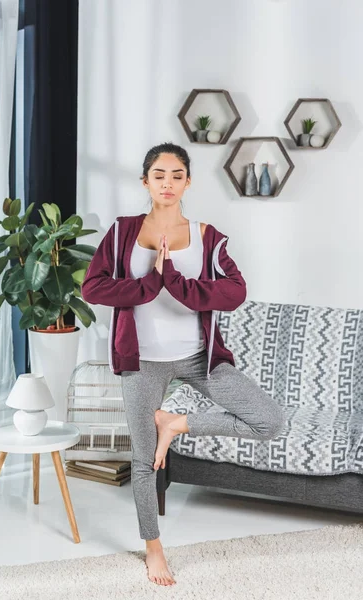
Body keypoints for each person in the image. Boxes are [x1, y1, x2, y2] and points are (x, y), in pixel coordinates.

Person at [81, 142, 286, 587]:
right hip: (143, 362)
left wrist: (174, 280)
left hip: (199, 357)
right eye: (159, 175)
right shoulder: (122, 233)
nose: (168, 183)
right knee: (142, 459)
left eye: (176, 175)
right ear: (145, 182)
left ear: (188, 181)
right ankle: (153, 547)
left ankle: (175, 423)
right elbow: (92, 288)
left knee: (269, 420)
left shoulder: (208, 236)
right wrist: (149, 282)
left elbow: (235, 292)